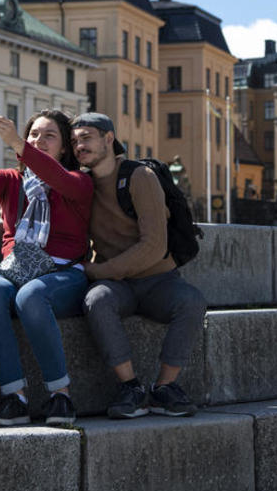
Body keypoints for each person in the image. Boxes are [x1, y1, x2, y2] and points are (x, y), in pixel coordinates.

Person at [0, 103, 92, 427]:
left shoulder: (78, 182)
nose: (38, 140)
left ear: (64, 149)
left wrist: (19, 144)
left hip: (64, 274)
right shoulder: (12, 181)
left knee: (31, 296)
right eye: (34, 134)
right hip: (19, 270)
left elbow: (57, 178)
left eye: (49, 136)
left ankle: (61, 395)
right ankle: (14, 399)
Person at [71, 113, 207, 419]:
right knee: (97, 300)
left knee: (192, 302)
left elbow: (153, 246)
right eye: (75, 141)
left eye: (87, 137)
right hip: (119, 287)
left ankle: (164, 388)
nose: (79, 145)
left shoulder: (139, 176)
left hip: (158, 280)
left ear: (108, 138)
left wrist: (95, 271)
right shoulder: (81, 185)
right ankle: (130, 387)